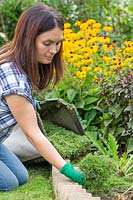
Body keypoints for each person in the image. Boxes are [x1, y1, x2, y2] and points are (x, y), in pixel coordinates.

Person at [0, 3, 85, 191]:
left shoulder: (17, 63)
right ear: (28, 40)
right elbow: (33, 133)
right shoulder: (13, 77)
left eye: (58, 42)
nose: (54, 50)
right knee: (9, 182)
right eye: (47, 43)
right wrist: (66, 169)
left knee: (21, 177)